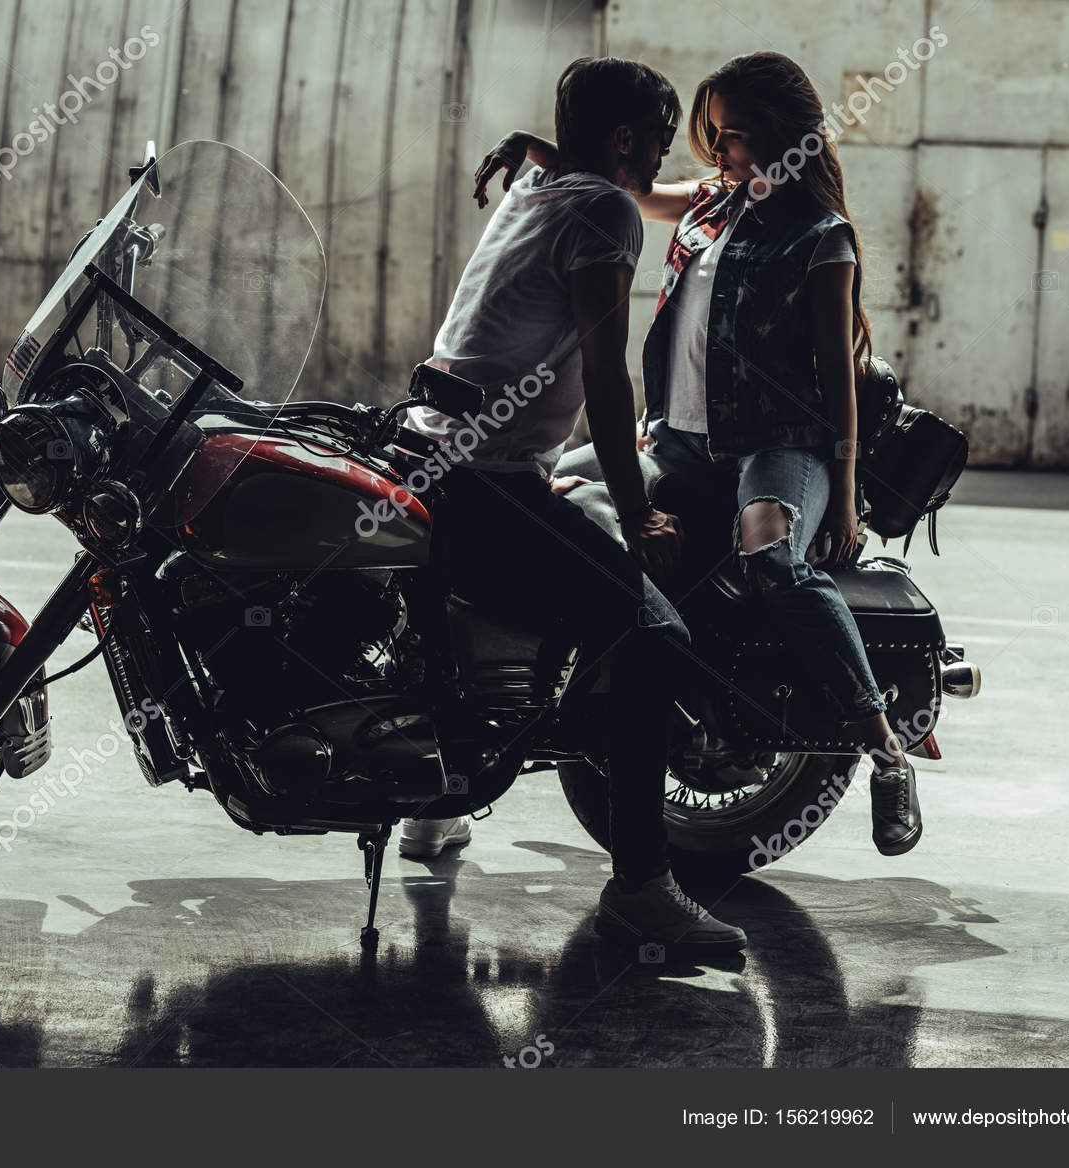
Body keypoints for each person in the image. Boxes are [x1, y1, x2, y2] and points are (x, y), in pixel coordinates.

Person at [472, 51, 922, 856]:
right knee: (547, 498)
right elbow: (623, 185)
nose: (716, 151)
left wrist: (846, 491)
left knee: (772, 554)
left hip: (779, 448)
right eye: (709, 132)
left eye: (735, 134)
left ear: (785, 138)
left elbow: (837, 378)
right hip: (677, 443)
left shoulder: (823, 238)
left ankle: (885, 748)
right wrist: (536, 148)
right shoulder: (707, 205)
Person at [397, 57, 746, 950]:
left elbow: (629, 185)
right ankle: (640, 883)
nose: (666, 163)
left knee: (461, 619)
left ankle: (435, 807)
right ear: (626, 140)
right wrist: (639, 516)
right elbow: (605, 372)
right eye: (660, 141)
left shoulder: (538, 189)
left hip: (427, 450)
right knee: (651, 630)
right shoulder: (603, 210)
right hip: (484, 479)